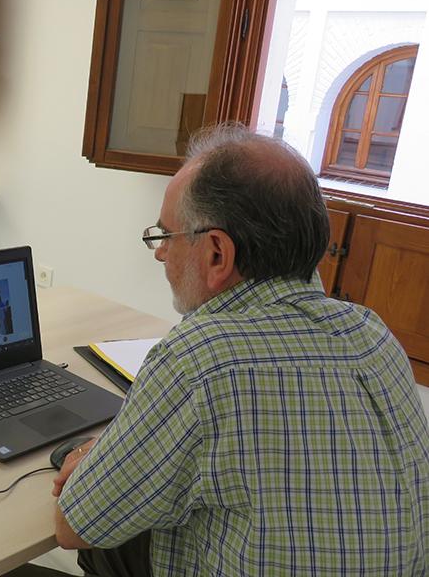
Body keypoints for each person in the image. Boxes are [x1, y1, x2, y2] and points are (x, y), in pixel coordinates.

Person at [53, 124, 429, 576]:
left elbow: (75, 525)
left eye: (166, 236)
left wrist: (94, 459)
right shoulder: (372, 333)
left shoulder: (200, 359)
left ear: (217, 253)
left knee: (109, 544)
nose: (160, 254)